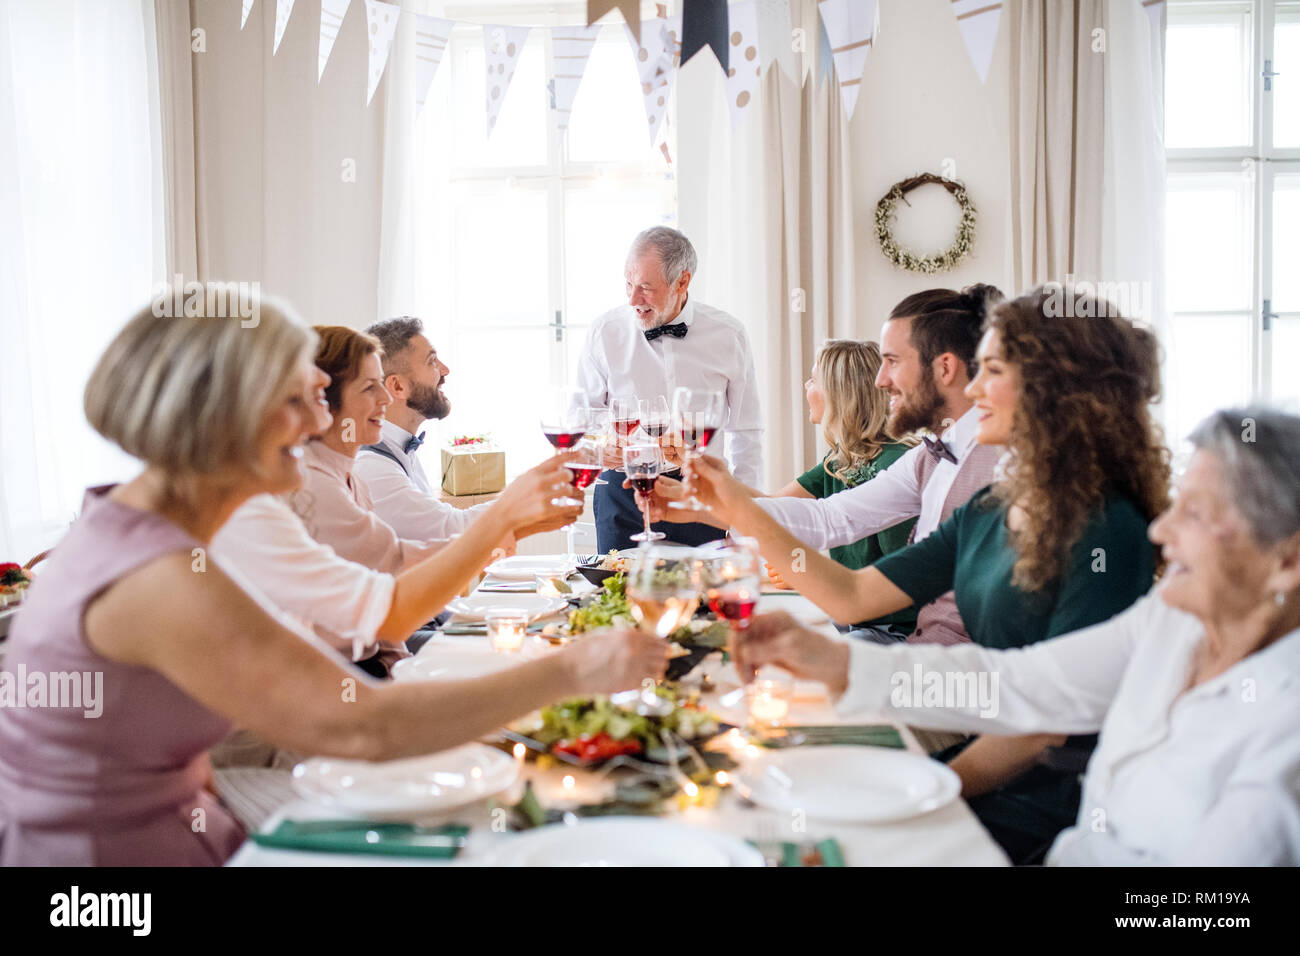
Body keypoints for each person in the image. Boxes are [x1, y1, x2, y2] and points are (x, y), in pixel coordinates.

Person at [0, 291, 667, 866]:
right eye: (298, 400)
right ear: (221, 416)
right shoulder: (159, 577)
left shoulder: (137, 526)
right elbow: (362, 726)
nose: (322, 422)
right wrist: (577, 670)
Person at [685, 286, 1170, 862]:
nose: (974, 388)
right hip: (976, 741)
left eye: (992, 370)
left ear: (1052, 389)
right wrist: (734, 509)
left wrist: (933, 790)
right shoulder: (992, 505)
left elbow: (1044, 722)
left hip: (1048, 796)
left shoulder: (1107, 531)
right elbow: (855, 593)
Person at [734, 407, 1300, 865]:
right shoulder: (1171, 622)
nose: (1161, 529)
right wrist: (835, 663)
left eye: (1196, 515)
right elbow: (1021, 683)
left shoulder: (1284, 733)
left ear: (1286, 562)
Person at [646, 285, 1005, 648]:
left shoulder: (999, 468)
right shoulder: (929, 456)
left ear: (945, 368)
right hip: (918, 653)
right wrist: (703, 504)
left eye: (893, 361)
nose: (880, 381)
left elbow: (858, 597)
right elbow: (828, 519)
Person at [211, 358, 577, 672]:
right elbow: (392, 588)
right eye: (370, 387)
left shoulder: (353, 475)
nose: (385, 398)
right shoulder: (317, 486)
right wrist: (507, 516)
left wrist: (516, 524)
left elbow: (396, 567)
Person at [653, 339, 919, 637]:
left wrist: (809, 576)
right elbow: (772, 508)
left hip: (895, 629)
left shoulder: (896, 465)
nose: (806, 386)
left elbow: (904, 583)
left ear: (838, 392)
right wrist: (701, 479)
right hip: (851, 618)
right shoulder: (842, 458)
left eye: (813, 379)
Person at [575, 226, 763, 552]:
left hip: (702, 495)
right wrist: (597, 448)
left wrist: (743, 517)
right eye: (628, 284)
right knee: (619, 598)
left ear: (682, 282)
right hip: (623, 494)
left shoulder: (729, 334)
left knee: (705, 597)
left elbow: (746, 431)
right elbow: (581, 418)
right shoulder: (605, 332)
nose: (633, 299)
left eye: (646, 287)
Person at [354, 316, 497, 540]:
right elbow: (450, 529)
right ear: (398, 386)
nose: (445, 370)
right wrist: (525, 495)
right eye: (432, 361)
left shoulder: (400, 448)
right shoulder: (371, 467)